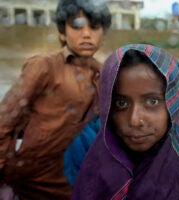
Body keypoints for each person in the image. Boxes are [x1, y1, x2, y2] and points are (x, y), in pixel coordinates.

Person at [71, 44, 179, 200]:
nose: (135, 120)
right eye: (121, 103)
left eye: (152, 101)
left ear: (173, 102)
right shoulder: (94, 163)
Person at [0, 0, 111, 198]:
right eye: (76, 26)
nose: (86, 33)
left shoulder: (104, 74)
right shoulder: (43, 67)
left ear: (103, 32)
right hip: (31, 174)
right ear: (62, 32)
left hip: (71, 173)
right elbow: (4, 122)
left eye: (94, 27)